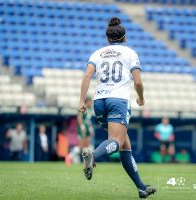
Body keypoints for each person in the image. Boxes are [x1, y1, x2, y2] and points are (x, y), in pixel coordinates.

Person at [77, 17, 156, 198]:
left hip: (99, 101)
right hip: (118, 100)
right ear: (125, 38)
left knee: (124, 145)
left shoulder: (97, 53)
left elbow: (87, 76)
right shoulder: (130, 53)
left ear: (107, 39)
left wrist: (82, 101)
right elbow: (137, 81)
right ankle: (93, 156)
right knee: (117, 141)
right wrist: (141, 98)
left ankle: (142, 188)